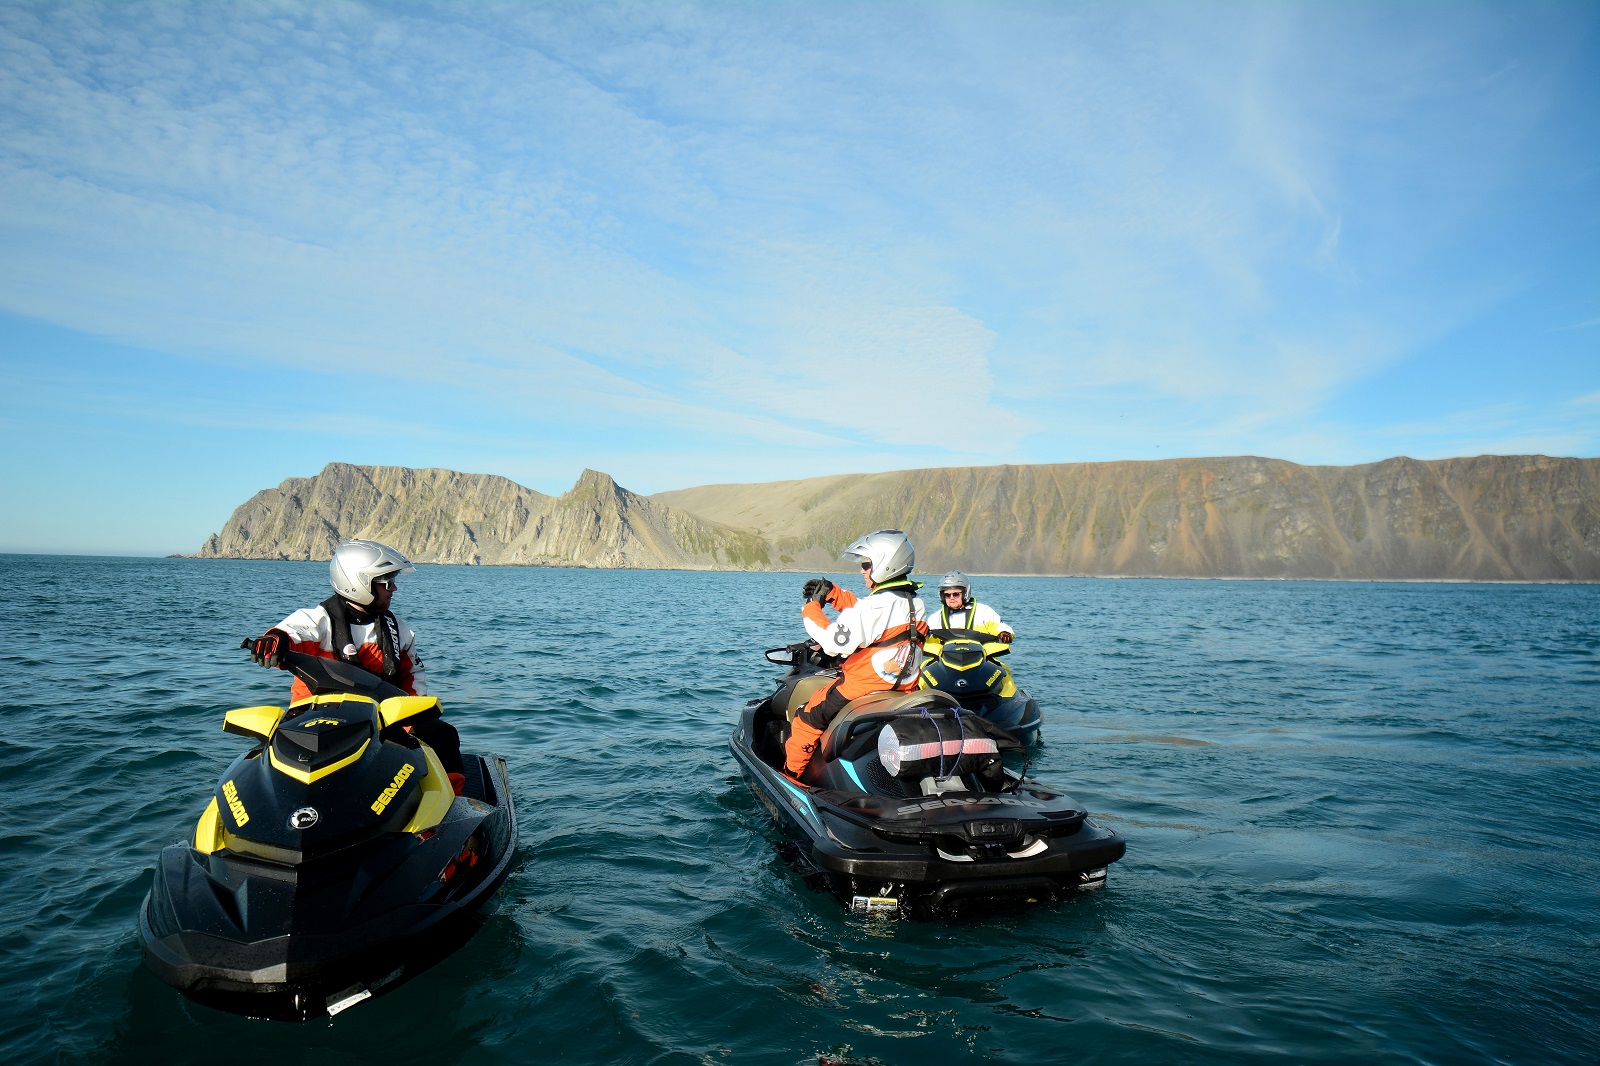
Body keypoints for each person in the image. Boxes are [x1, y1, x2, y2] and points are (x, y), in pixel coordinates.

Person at [248, 539, 465, 791]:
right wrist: (275, 639)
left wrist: (411, 716)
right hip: (313, 720)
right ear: (360, 584)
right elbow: (293, 632)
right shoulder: (320, 620)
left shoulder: (400, 631)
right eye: (387, 583)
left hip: (377, 721)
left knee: (443, 735)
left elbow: (413, 676)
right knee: (261, 758)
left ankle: (447, 804)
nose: (393, 589)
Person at [784, 529, 928, 778]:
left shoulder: (876, 607)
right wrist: (834, 594)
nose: (862, 570)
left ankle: (791, 779)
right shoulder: (915, 603)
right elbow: (871, 618)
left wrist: (811, 607)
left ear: (885, 564)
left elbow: (832, 643)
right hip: (905, 689)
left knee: (805, 719)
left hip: (861, 688)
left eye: (866, 564)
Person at [924, 570, 1019, 700]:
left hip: (981, 662)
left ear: (965, 593)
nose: (951, 598)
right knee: (922, 672)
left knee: (1004, 672)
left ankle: (1009, 702)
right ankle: (919, 704)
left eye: (956, 594)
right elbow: (926, 641)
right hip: (945, 664)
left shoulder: (983, 612)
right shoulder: (935, 619)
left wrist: (1005, 633)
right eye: (947, 595)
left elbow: (1000, 626)